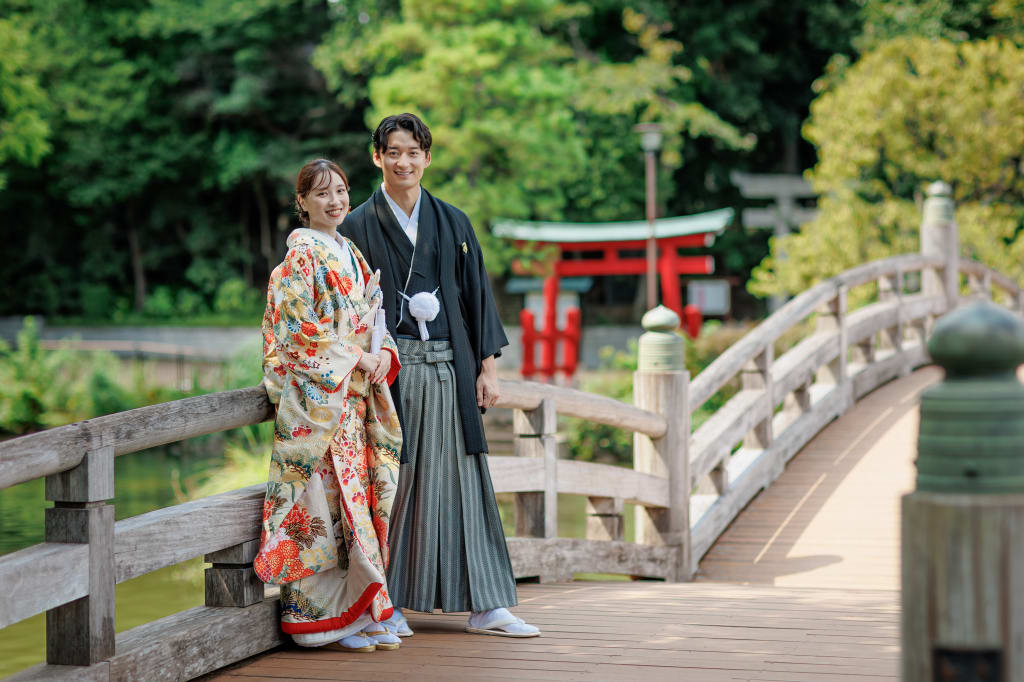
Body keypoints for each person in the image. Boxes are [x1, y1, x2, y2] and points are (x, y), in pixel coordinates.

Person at [340, 113, 540, 638]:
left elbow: (475, 294)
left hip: (450, 368)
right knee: (394, 483)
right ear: (376, 157)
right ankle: (390, 602)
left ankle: (485, 604)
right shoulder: (357, 225)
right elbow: (346, 308)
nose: (403, 162)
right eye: (393, 152)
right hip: (389, 373)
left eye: (413, 152)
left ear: (427, 158)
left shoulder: (453, 220)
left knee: (463, 480)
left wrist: (487, 368)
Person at [255, 158, 405, 652]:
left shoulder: (350, 253)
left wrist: (382, 351)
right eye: (322, 194)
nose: (335, 201)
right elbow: (297, 336)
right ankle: (318, 620)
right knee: (319, 510)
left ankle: (357, 613)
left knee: (355, 505)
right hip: (319, 406)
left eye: (340, 191)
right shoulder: (299, 260)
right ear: (302, 203)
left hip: (353, 400)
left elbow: (374, 315)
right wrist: (359, 355)